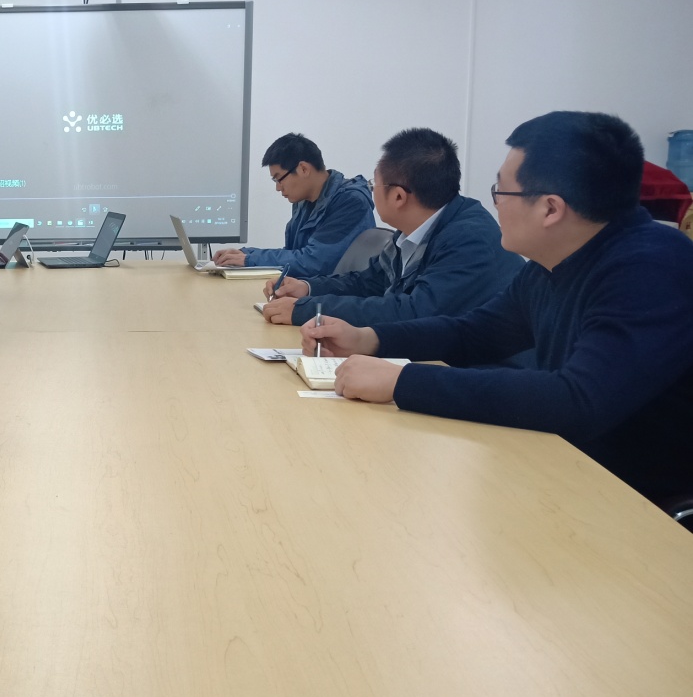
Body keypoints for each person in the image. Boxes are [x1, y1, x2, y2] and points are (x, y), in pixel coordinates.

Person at [305, 111, 693, 511]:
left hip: (639, 505)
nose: (495, 205)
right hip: (561, 471)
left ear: (550, 209)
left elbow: (576, 401)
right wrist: (369, 339)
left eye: (501, 193)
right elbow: (474, 333)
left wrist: (401, 381)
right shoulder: (552, 263)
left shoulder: (651, 268)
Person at [261, 128, 523, 326]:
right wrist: (307, 288)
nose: (371, 191)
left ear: (398, 196)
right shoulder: (412, 231)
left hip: (488, 370)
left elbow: (412, 312)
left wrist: (310, 310)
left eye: (374, 185)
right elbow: (369, 282)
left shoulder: (469, 239)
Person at [213, 133, 374, 273]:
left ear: (303, 169)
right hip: (308, 288)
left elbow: (314, 262)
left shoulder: (350, 202)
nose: (278, 188)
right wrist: (245, 254)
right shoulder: (304, 201)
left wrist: (250, 259)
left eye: (279, 179)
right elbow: (294, 253)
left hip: (332, 295)